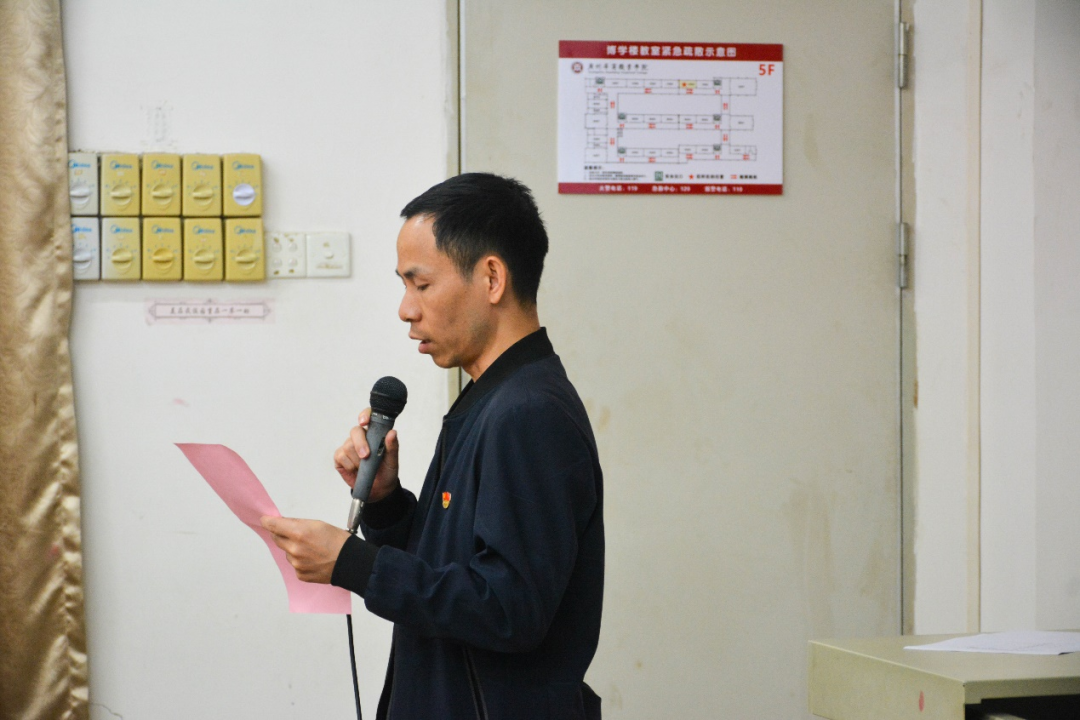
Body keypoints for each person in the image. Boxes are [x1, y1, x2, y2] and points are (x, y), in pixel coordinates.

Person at [262, 173, 605, 720]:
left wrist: (354, 563)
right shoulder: (491, 398)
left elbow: (509, 609)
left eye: (420, 285)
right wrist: (385, 503)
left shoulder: (528, 413)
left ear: (491, 278)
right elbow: (454, 569)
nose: (406, 309)